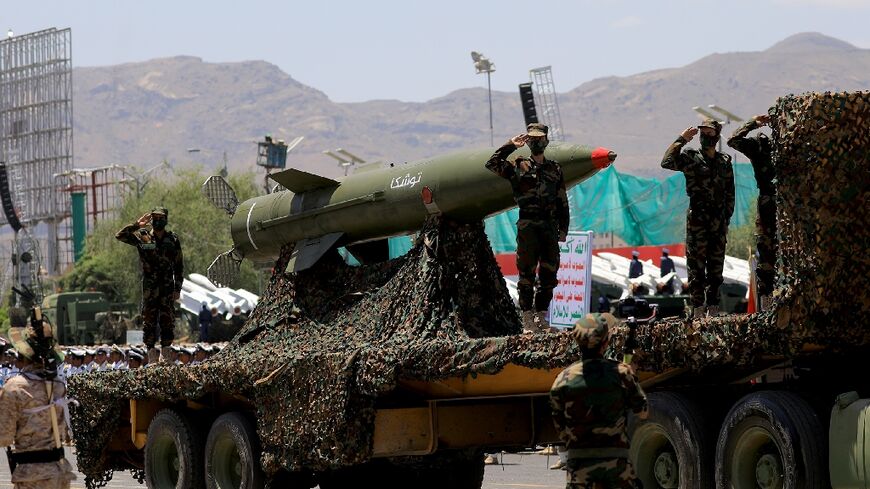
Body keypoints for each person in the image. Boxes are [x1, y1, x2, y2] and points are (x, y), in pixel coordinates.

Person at [486, 123, 569, 332]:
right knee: (527, 273)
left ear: (546, 141)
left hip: (549, 227)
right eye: (532, 139)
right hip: (528, 226)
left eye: (540, 138)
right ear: (528, 142)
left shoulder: (554, 169)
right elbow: (492, 163)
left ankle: (542, 316)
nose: (536, 142)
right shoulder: (518, 165)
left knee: (549, 273)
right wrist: (510, 145)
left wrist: (563, 229)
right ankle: (527, 319)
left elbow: (562, 200)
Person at [550, 313, 648, 489]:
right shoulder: (622, 373)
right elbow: (642, 412)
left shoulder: (562, 380)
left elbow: (559, 426)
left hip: (579, 467)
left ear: (577, 342)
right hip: (616, 466)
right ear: (606, 342)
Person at [661, 119, 735, 318]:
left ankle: (713, 307)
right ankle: (698, 310)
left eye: (710, 133)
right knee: (696, 267)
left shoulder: (724, 162)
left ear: (717, 135)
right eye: (703, 133)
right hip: (697, 222)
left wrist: (726, 219)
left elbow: (730, 193)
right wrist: (682, 139)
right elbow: (667, 162)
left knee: (716, 267)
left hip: (718, 222)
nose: (705, 137)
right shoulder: (691, 158)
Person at [0, 313, 77, 488]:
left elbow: (3, 438)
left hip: (31, 477)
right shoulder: (58, 386)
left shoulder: (15, 388)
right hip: (59, 473)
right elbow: (65, 433)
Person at [115, 206, 184, 362]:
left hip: (167, 287)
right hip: (150, 288)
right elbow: (120, 235)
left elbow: (179, 266)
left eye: (160, 218)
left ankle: (166, 353)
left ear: (166, 220)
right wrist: (136, 225)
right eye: (155, 218)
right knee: (149, 320)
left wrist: (178, 288)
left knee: (167, 319)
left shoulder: (172, 239)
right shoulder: (142, 237)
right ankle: (151, 354)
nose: (157, 221)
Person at [727, 114, 776, 311]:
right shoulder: (761, 147)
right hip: (768, 201)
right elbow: (733, 140)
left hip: (786, 203)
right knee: (765, 251)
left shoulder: (789, 147)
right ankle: (766, 302)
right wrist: (753, 123)